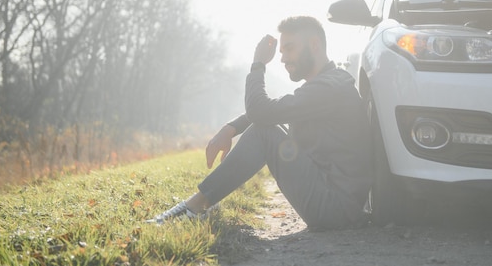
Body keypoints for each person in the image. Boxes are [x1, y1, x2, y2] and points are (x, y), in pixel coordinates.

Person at [147, 16, 373, 230]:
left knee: (264, 133)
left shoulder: (329, 88)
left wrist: (258, 64)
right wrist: (232, 127)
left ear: (314, 45)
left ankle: (195, 207)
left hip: (335, 208)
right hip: (336, 203)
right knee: (266, 127)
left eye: (290, 48)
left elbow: (261, 111)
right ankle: (201, 204)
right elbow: (274, 110)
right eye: (281, 51)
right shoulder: (328, 84)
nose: (283, 58)